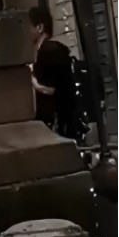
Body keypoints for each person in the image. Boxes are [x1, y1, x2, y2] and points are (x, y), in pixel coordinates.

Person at [28, 7, 79, 138]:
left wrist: (30, 79)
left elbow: (51, 89)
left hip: (58, 124)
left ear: (39, 27)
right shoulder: (44, 51)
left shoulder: (50, 52)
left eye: (28, 26)